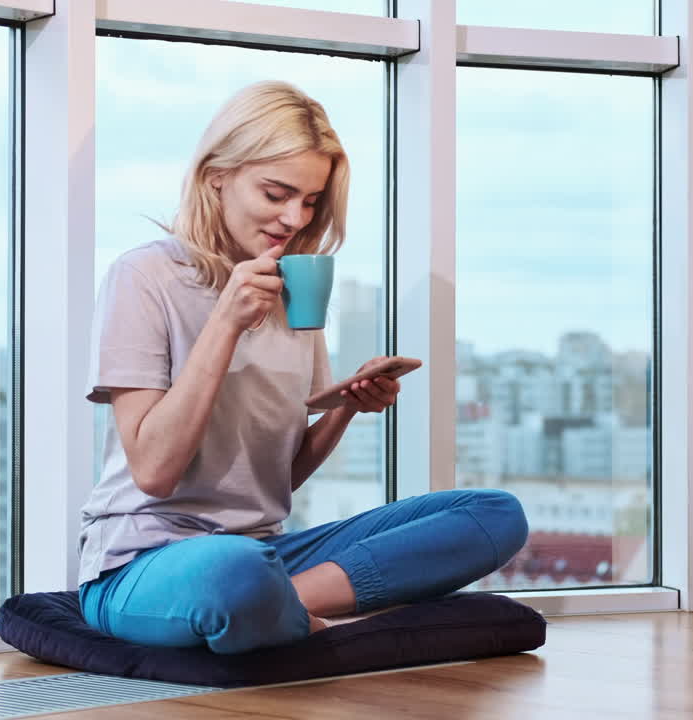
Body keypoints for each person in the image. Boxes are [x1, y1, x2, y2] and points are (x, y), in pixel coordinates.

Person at [78, 81, 528, 654]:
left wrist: (342, 410)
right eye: (276, 193)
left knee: (493, 515)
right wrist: (226, 322)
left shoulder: (295, 293)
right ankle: (297, 610)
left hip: (266, 550)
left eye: (311, 200)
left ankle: (284, 601)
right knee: (235, 571)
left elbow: (274, 479)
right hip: (144, 560)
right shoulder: (143, 278)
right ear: (217, 174)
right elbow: (155, 473)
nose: (294, 216)